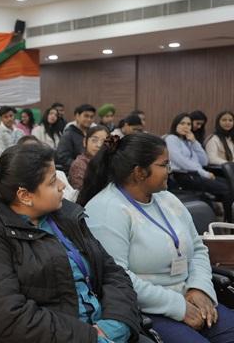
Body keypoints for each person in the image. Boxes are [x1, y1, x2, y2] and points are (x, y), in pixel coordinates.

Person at [0, 144, 143, 342]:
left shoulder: (65, 215)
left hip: (104, 328)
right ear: (25, 196)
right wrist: (91, 337)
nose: (62, 185)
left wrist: (117, 323)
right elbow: (9, 316)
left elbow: (111, 272)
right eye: (53, 181)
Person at [79, 133, 234, 343]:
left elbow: (197, 248)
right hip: (146, 309)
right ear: (139, 172)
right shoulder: (106, 210)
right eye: (164, 164)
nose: (170, 170)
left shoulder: (167, 199)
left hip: (191, 296)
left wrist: (199, 287)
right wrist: (178, 307)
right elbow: (117, 277)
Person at [165, 113, 233, 221]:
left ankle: (228, 220)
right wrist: (204, 173)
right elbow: (182, 162)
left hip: (196, 175)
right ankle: (229, 221)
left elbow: (204, 161)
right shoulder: (171, 139)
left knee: (230, 185)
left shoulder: (188, 141)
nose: (186, 126)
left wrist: (194, 142)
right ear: (175, 125)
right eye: (182, 123)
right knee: (226, 189)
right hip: (182, 176)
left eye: (188, 124)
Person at [17, 135, 78, 202]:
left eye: (38, 150)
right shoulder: (22, 182)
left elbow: (73, 196)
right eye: (30, 153)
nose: (62, 186)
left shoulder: (60, 174)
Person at [56, 104, 96, 171]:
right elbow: (63, 157)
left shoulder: (94, 133)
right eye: (86, 116)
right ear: (77, 116)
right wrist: (81, 166)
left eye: (91, 117)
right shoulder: (68, 135)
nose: (89, 119)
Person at [69, 125, 109, 191]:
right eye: (94, 140)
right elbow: (83, 192)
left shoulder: (108, 161)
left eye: (104, 142)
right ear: (85, 142)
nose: (99, 145)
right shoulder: (79, 165)